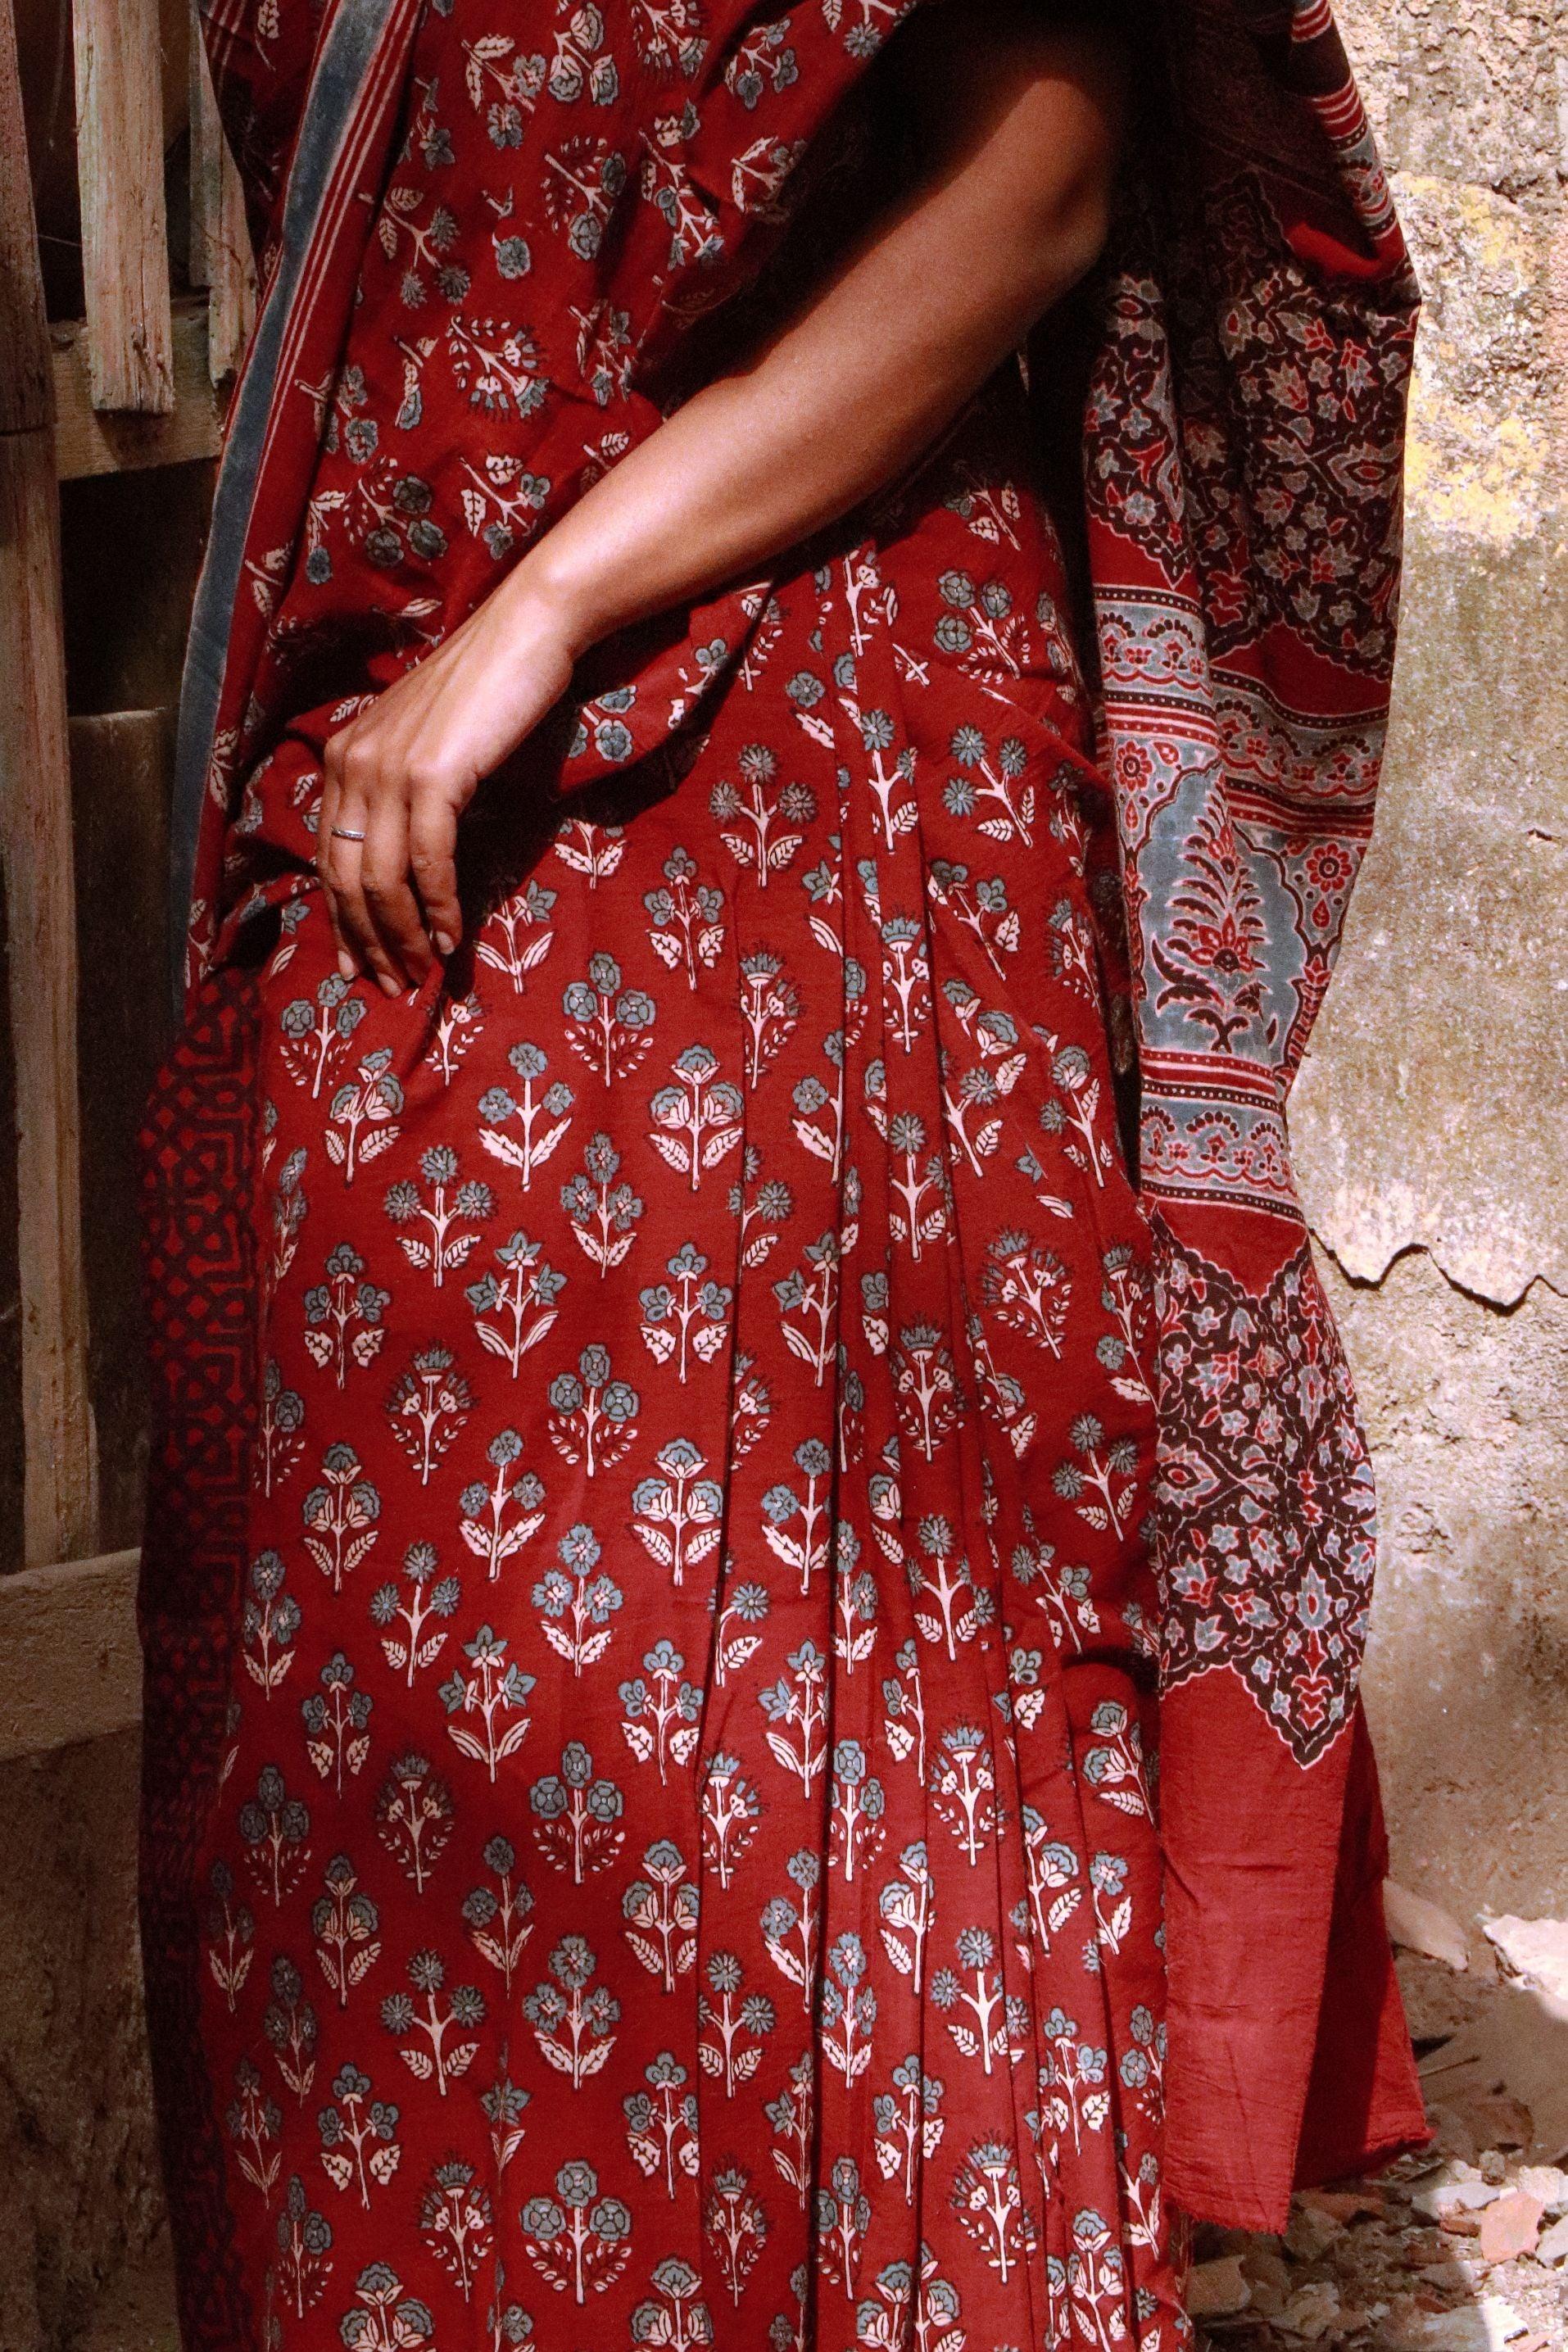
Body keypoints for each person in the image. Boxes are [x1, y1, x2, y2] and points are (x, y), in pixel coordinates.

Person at [137, 4, 1427, 2347]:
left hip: (807, 792)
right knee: (395, 1790)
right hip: (390, 773)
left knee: (845, 1770)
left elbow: (1032, 180)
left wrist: (546, 604)